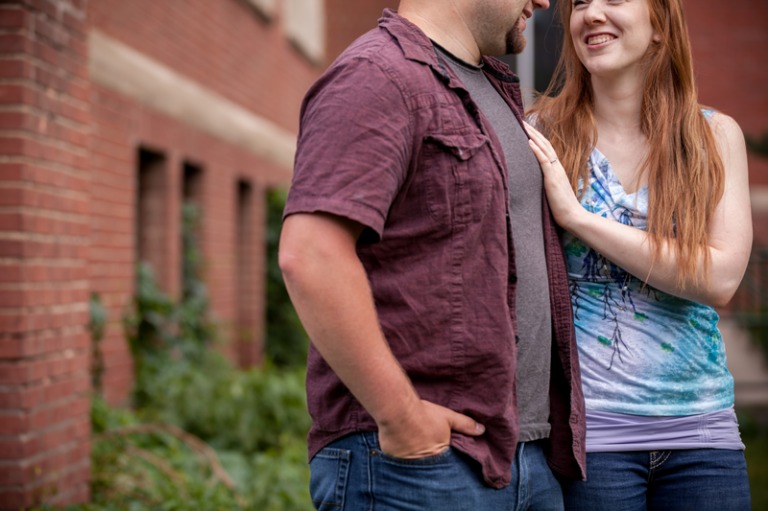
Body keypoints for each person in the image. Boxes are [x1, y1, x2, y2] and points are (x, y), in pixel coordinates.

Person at [279, 0, 588, 509]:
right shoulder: (377, 75)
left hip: (525, 458)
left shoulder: (490, 87)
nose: (543, 2)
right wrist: (402, 417)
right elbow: (311, 254)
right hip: (420, 468)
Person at [525, 0, 753, 509]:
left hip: (703, 434)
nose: (592, 14)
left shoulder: (713, 137)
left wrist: (579, 219)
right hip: (590, 438)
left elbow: (719, 279)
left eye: (614, 0)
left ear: (659, 26)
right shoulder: (540, 134)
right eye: (580, 3)